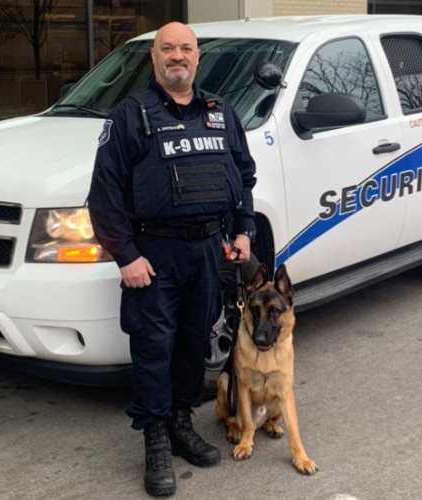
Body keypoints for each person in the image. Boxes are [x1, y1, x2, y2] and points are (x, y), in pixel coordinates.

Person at [88, 22, 257, 497]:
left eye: (185, 48)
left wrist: (243, 229)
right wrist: (126, 255)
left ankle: (182, 423)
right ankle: (156, 439)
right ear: (155, 59)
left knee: (191, 342)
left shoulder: (221, 113)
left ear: (197, 58)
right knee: (152, 348)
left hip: (207, 250)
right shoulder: (130, 116)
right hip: (153, 254)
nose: (177, 56)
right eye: (168, 49)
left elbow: (243, 176)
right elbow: (103, 198)